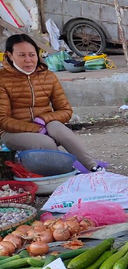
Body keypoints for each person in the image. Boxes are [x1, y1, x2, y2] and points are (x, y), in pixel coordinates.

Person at [0, 34, 103, 172]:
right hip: (12, 133)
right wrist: (36, 129)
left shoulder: (48, 76)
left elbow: (65, 110)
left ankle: (93, 167)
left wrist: (44, 120)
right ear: (10, 56)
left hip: (44, 124)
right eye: (22, 55)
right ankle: (65, 173)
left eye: (32, 54)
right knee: (46, 143)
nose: (28, 60)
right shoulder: (2, 79)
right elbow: (3, 120)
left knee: (62, 131)